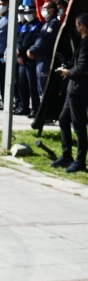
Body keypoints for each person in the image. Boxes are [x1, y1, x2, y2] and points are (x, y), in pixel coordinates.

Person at [54, 13, 88, 173]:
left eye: (77, 24)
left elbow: (82, 68)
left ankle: (80, 160)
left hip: (79, 90)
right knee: (63, 119)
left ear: (82, 25)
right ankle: (67, 155)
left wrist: (66, 72)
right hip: (72, 90)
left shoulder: (86, 43)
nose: (76, 27)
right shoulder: (82, 42)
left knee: (79, 126)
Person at [28, 1, 62, 98]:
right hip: (40, 59)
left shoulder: (54, 23)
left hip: (45, 60)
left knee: (44, 89)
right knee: (40, 88)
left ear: (52, 11)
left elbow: (44, 40)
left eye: (45, 8)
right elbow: (38, 40)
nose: (43, 10)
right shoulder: (47, 23)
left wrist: (32, 50)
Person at [14, 5, 42, 117]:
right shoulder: (25, 25)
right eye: (26, 12)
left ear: (35, 13)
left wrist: (20, 50)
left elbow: (33, 41)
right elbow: (19, 40)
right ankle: (23, 107)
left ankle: (35, 109)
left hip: (31, 60)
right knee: (22, 84)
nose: (27, 14)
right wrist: (19, 53)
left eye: (30, 12)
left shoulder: (39, 26)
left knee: (32, 86)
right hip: (22, 60)